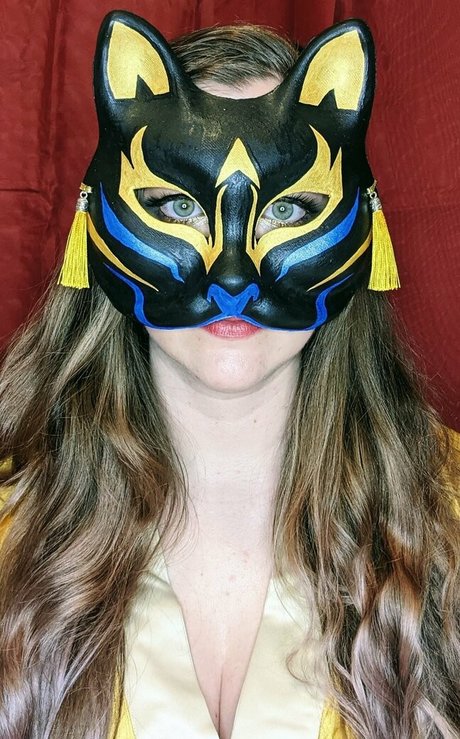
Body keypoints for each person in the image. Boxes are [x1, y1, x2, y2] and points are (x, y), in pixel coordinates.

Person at [0, 10, 458, 739]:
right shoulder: (10, 528)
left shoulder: (449, 515)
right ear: (97, 214)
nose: (233, 278)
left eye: (291, 208)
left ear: (364, 222)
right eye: (177, 205)